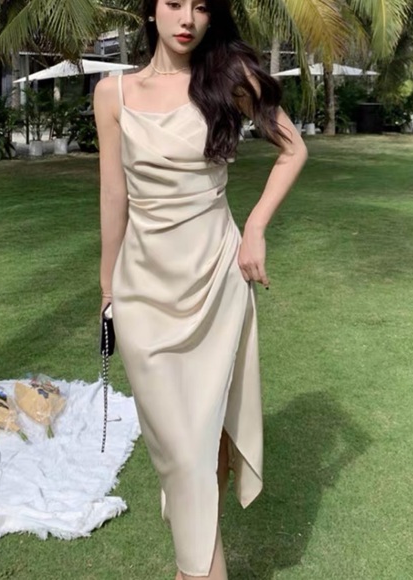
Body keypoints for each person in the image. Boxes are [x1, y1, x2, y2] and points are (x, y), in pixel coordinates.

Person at [93, 1, 307, 578]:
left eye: (202, 6)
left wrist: (255, 228)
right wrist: (107, 289)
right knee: (182, 454)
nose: (187, 17)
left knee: (200, 448)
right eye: (173, 3)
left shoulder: (229, 78)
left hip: (215, 282)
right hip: (142, 296)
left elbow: (294, 149)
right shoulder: (112, 94)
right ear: (150, 11)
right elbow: (114, 195)